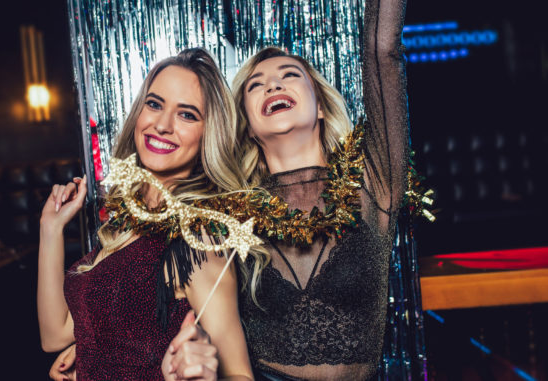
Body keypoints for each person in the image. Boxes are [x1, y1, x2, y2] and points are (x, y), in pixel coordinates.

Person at [52, 0, 409, 378]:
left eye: (289, 75)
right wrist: (98, 349)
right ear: (248, 126)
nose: (273, 84)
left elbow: (383, 50)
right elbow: (155, 300)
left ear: (320, 104)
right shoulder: (225, 215)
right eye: (256, 85)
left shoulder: (374, 186)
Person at [38, 48, 261, 381]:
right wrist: (50, 230)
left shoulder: (194, 240)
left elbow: (240, 375)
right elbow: (55, 335)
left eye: (187, 115)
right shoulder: (129, 222)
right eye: (155, 104)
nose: (162, 125)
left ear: (207, 135)